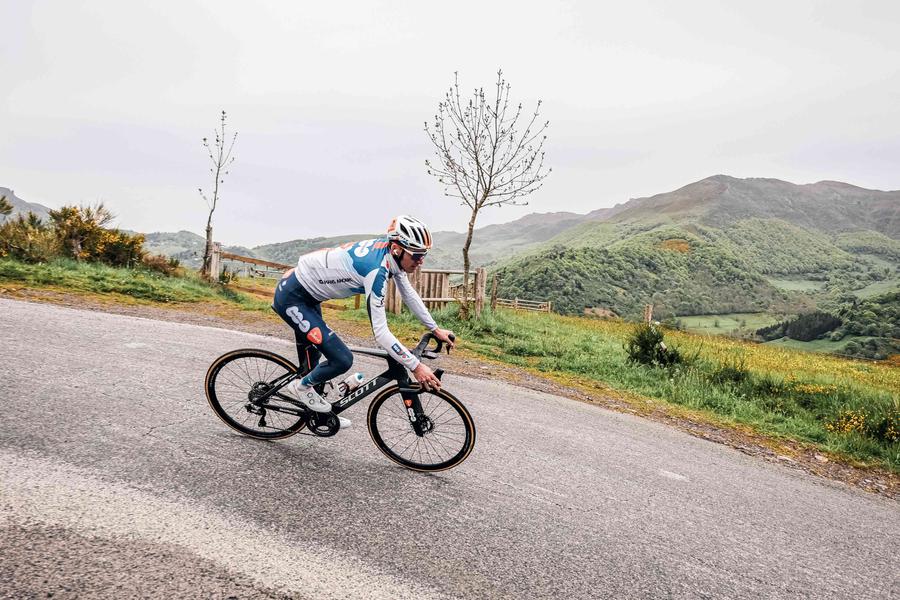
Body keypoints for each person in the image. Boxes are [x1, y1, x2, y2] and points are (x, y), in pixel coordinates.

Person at [272, 215, 456, 426]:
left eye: (424, 254)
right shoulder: (376, 270)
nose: (421, 261)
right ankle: (301, 387)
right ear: (397, 249)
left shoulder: (390, 255)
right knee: (341, 359)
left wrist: (435, 328)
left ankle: (318, 411)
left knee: (316, 364)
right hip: (293, 299)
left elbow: (409, 294)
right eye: (417, 255)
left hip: (307, 295)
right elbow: (381, 333)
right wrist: (416, 366)